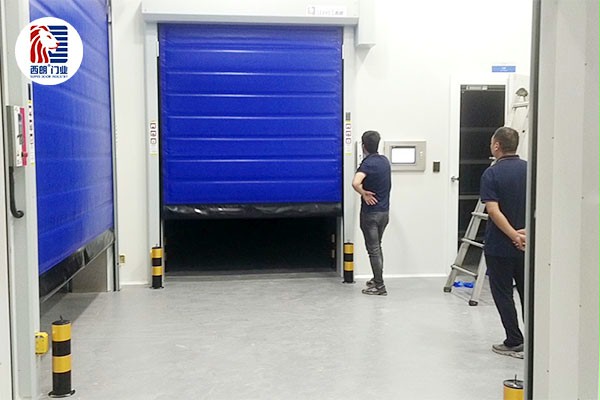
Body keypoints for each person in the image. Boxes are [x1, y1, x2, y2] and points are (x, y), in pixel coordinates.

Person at [480, 126, 527, 358]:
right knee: (529, 293)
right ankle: (537, 341)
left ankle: (514, 340)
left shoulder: (492, 174)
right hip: (528, 245)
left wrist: (512, 235)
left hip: (500, 246)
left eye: (492, 143)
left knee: (503, 294)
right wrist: (526, 234)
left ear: (497, 145)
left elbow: (493, 210)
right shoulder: (531, 169)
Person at [352, 131, 392, 296]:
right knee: (377, 247)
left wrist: (363, 193)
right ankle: (376, 279)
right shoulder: (385, 161)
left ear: (363, 146)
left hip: (370, 214)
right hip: (384, 213)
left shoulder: (367, 164)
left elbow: (355, 182)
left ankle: (379, 286)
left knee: (373, 250)